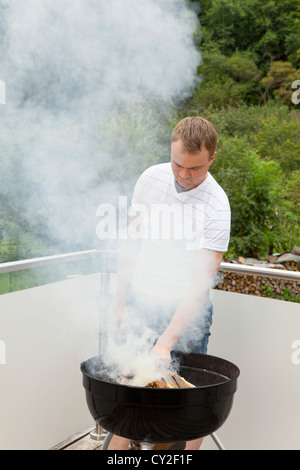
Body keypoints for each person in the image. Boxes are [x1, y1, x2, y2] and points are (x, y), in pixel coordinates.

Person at [106, 116, 231, 450]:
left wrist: (166, 341)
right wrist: (118, 302)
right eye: (178, 164)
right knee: (131, 392)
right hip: (142, 300)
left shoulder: (217, 206)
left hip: (186, 314)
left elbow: (201, 283)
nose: (184, 176)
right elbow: (131, 243)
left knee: (186, 405)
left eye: (195, 168)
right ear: (170, 151)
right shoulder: (151, 178)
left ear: (212, 158)